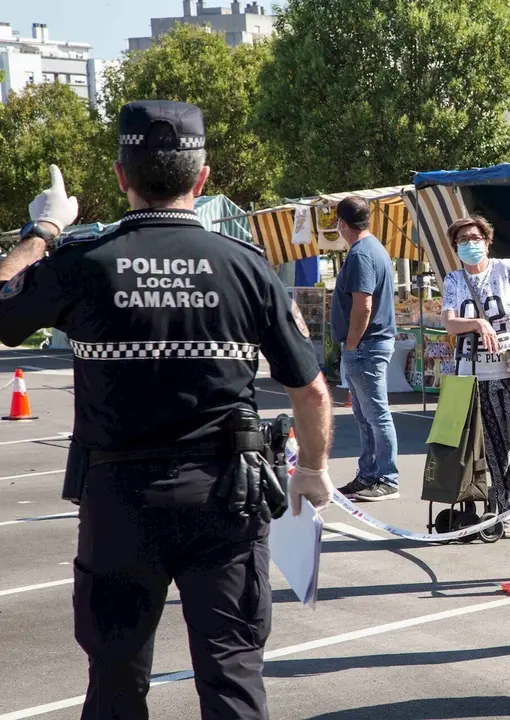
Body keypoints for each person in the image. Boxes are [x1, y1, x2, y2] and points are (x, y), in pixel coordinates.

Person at [0, 100, 334, 719]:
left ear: (122, 176)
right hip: (226, 499)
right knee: (232, 675)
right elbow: (311, 389)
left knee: (116, 681)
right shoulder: (248, 267)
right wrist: (312, 468)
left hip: (120, 498)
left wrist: (42, 233)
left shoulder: (82, 262)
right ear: (202, 178)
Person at [440, 216, 510, 518]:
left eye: (475, 238)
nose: (470, 244)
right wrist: (477, 323)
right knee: (495, 446)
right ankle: (506, 508)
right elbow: (449, 322)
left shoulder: (509, 270)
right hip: (477, 375)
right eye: (462, 240)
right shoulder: (454, 280)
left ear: (488, 241)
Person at [331, 196, 400, 502]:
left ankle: (386, 477)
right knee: (365, 415)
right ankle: (369, 474)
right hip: (368, 344)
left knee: (375, 414)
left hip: (366, 345)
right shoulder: (374, 249)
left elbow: (363, 305)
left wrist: (352, 343)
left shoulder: (361, 254)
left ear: (342, 223)